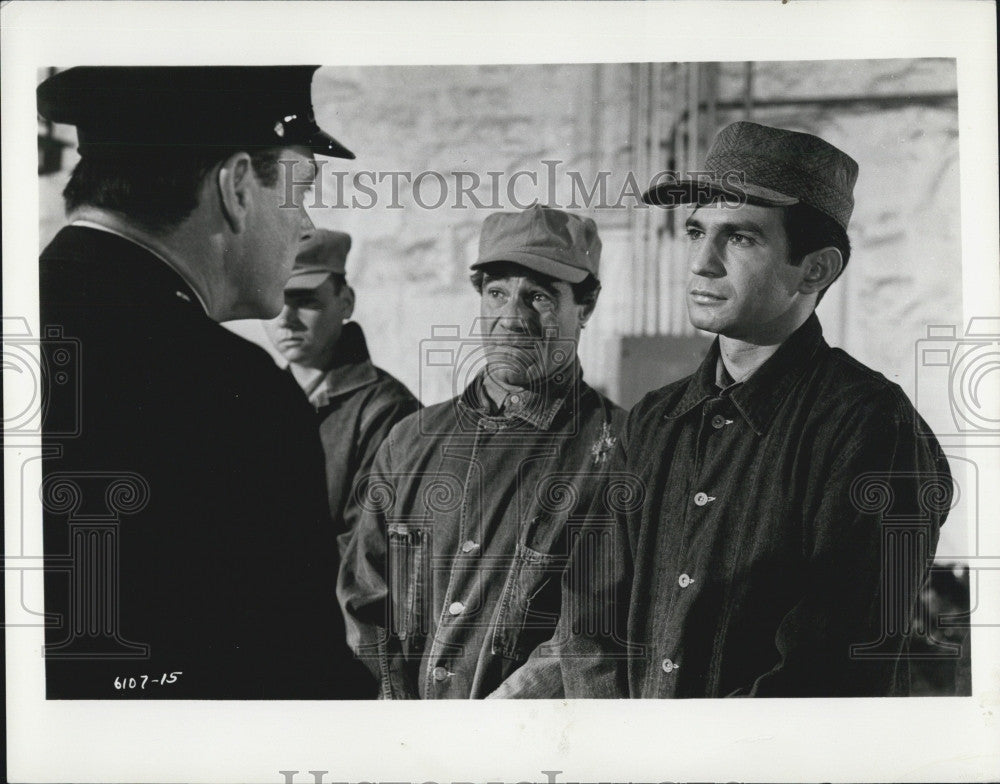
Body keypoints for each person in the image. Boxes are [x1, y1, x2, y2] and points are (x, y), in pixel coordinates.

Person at [501, 121, 953, 698]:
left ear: (815, 269)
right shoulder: (653, 420)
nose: (701, 262)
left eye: (739, 238)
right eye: (696, 232)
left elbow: (832, 667)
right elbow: (591, 616)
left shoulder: (868, 424)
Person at [37, 66, 370, 698]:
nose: (303, 228)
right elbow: (296, 687)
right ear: (238, 184)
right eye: (298, 192)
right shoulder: (237, 397)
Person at [337, 205, 627, 698]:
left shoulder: (620, 450)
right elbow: (365, 600)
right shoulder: (410, 440)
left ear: (586, 305)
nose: (512, 317)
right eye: (497, 293)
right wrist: (394, 713)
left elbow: (596, 631)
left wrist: (485, 731)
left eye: (538, 296)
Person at [263, 229, 420, 555]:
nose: (286, 319)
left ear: (346, 302)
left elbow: (365, 554)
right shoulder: (258, 399)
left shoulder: (387, 410)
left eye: (305, 301)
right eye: (275, 301)